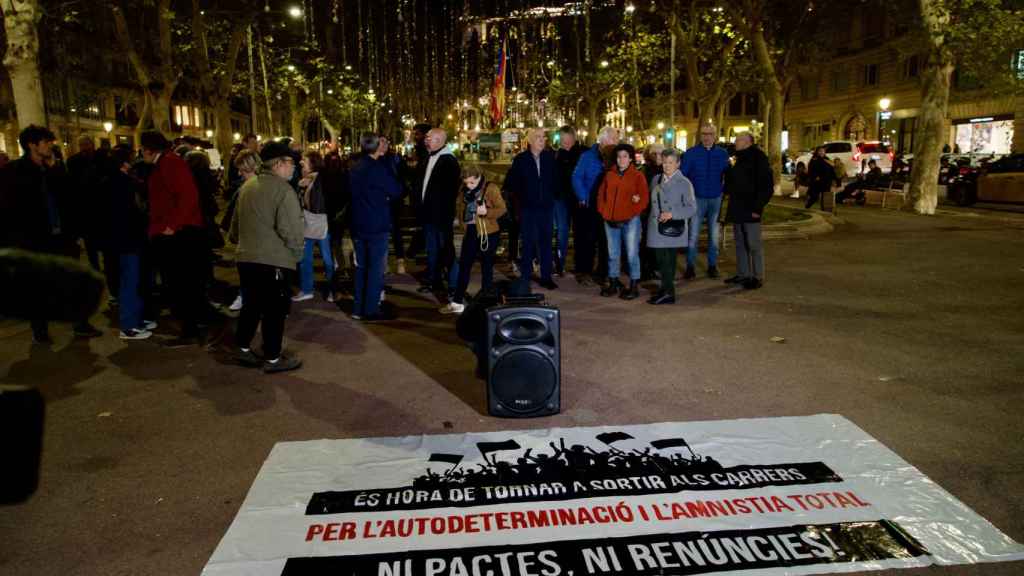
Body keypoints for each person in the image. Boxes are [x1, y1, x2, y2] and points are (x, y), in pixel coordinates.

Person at [0, 125, 102, 343]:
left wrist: (56, 169)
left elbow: (70, 198)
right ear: (32, 145)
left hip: (62, 237)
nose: (50, 146)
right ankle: (40, 331)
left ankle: (81, 325)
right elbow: (9, 209)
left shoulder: (54, 168)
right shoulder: (13, 171)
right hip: (34, 239)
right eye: (46, 143)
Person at [229, 140, 304, 373]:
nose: (295, 167)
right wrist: (297, 254)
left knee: (251, 305)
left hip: (246, 258)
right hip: (273, 262)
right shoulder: (283, 190)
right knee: (274, 311)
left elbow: (234, 230)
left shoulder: (247, 187)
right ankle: (272, 357)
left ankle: (241, 347)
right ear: (279, 164)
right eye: (291, 162)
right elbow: (290, 231)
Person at [140, 130, 207, 347]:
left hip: (178, 233)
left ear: (148, 149)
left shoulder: (169, 163)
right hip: (177, 230)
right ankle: (193, 325)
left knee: (180, 282)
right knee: (182, 282)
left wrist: (172, 226)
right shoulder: (168, 162)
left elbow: (188, 196)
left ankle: (190, 329)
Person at [349, 133, 403, 321]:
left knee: (362, 267)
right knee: (375, 269)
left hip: (358, 222)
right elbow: (396, 190)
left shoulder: (355, 167)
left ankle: (358, 307)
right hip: (376, 222)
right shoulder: (378, 168)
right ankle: (371, 308)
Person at [440, 164, 507, 315]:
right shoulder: (462, 190)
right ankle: (457, 302)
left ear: (479, 178)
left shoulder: (491, 188)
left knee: (487, 267)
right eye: (466, 183)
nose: (469, 186)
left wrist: (486, 211)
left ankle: (486, 303)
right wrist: (460, 221)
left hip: (488, 232)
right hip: (471, 231)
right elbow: (460, 209)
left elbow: (502, 209)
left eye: (472, 182)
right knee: (464, 266)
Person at [104, 144, 155, 340]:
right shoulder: (121, 183)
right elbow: (131, 212)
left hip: (126, 239)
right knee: (130, 282)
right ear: (125, 162)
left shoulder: (116, 181)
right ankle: (128, 325)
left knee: (132, 281)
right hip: (128, 239)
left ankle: (135, 320)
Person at [505, 128, 560, 290]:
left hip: (546, 207)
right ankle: (526, 276)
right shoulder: (521, 159)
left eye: (544, 137)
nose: (542, 140)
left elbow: (556, 180)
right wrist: (524, 197)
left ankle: (546, 276)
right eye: (538, 137)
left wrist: (552, 195)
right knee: (528, 242)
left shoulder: (550, 158)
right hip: (528, 208)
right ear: (529, 141)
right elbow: (512, 183)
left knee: (546, 242)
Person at [67, 135, 118, 300]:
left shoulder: (101, 158)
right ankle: (95, 269)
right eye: (81, 144)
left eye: (86, 144)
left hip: (102, 210)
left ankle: (108, 273)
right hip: (86, 211)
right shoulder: (74, 161)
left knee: (105, 247)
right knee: (90, 246)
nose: (84, 147)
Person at [597, 143, 649, 300]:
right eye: (619, 156)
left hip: (630, 220)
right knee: (613, 254)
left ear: (631, 158)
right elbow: (601, 195)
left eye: (625, 156)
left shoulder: (637, 176)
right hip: (610, 220)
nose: (622, 159)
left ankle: (634, 285)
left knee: (632, 253)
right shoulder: (609, 174)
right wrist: (603, 211)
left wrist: (632, 211)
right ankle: (613, 283)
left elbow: (644, 198)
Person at [724, 133, 774, 290]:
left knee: (753, 244)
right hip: (738, 208)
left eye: (737, 140)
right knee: (740, 243)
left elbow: (766, 186)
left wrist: (757, 208)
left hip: (751, 208)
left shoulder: (758, 158)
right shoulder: (740, 158)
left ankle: (757, 276)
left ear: (747, 142)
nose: (735, 142)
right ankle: (743, 274)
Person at [646, 148, 696, 305]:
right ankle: (664, 289)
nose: (667, 166)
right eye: (664, 162)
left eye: (671, 162)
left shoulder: (684, 183)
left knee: (668, 261)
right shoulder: (656, 179)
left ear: (678, 164)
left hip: (673, 228)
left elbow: (692, 208)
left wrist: (672, 213)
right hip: (656, 227)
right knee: (661, 261)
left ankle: (669, 293)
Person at [414, 128, 460, 294]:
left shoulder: (449, 161)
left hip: (441, 216)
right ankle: (434, 281)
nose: (426, 140)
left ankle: (454, 285)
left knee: (447, 250)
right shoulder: (428, 157)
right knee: (431, 250)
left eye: (429, 138)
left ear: (439, 140)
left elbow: (450, 192)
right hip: (428, 215)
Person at [571, 126, 618, 286]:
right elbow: (576, 177)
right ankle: (585, 271)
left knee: (606, 241)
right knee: (588, 240)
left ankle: (602, 272)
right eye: (614, 139)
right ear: (603, 140)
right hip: (591, 205)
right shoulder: (587, 156)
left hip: (608, 206)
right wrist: (582, 196)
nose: (616, 142)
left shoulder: (616, 157)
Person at [681, 123, 729, 280]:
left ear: (715, 135)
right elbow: (683, 176)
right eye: (704, 134)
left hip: (715, 198)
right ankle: (690, 266)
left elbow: (727, 174)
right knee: (693, 235)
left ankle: (712, 265)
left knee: (713, 236)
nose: (707, 137)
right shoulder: (691, 153)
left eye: (710, 134)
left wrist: (723, 191)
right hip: (697, 199)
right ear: (700, 136)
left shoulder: (722, 154)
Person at [293, 151, 336, 303]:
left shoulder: (323, 177)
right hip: (307, 222)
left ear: (312, 162)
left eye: (304, 159)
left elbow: (328, 199)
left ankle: (332, 289)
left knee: (328, 260)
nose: (300, 162)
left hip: (322, 222)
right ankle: (306, 289)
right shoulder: (303, 179)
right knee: (305, 258)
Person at [224, 150, 262, 312]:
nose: (240, 174)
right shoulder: (244, 188)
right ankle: (246, 296)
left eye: (242, 170)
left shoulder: (263, 186)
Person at [553, 126, 583, 277]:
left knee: (579, 232)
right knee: (562, 231)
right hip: (560, 197)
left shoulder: (581, 153)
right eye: (563, 141)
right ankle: (560, 263)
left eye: (567, 141)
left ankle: (579, 265)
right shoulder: (556, 154)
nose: (565, 144)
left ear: (573, 139)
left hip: (577, 198)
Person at [806, 146, 832, 210]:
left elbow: (831, 169)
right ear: (817, 152)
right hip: (817, 181)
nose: (821, 152)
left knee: (825, 196)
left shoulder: (827, 159)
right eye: (820, 151)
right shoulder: (814, 159)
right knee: (814, 196)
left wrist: (834, 180)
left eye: (823, 151)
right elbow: (811, 170)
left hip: (826, 181)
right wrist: (814, 177)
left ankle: (824, 209)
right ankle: (808, 205)